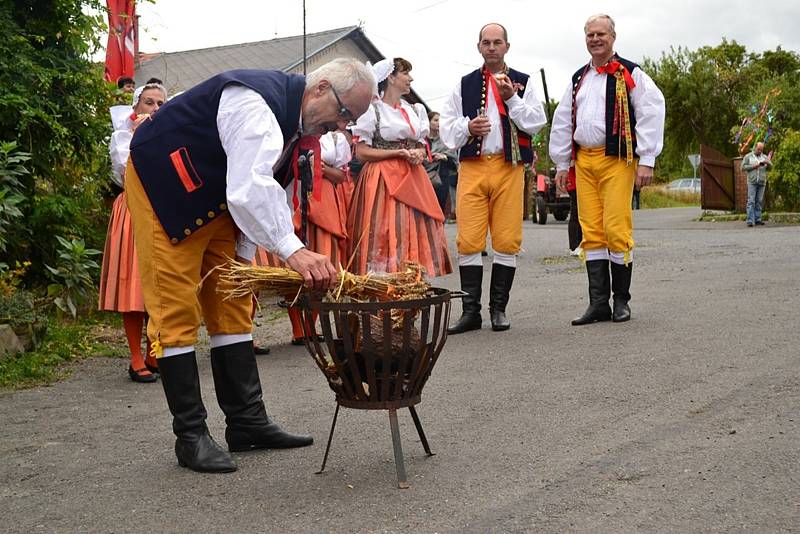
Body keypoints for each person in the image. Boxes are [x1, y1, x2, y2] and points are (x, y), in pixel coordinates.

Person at [125, 58, 376, 473]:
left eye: (351, 120)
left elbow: (263, 188)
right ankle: (190, 436)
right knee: (175, 309)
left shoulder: (300, 125)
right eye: (344, 113)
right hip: (165, 187)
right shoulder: (256, 104)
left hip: (218, 196)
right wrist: (292, 251)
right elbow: (249, 189)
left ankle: (246, 422)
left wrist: (244, 256)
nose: (341, 126)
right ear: (321, 88)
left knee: (232, 299)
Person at [550, 13, 665, 325]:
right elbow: (563, 120)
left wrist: (647, 159)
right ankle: (598, 302)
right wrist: (562, 163)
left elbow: (652, 111)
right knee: (592, 231)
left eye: (601, 34)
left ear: (613, 37)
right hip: (584, 161)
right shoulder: (578, 78)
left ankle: (621, 301)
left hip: (617, 159)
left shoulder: (630, 73)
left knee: (616, 228)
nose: (595, 39)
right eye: (590, 35)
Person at [440, 23, 547, 333]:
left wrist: (512, 98)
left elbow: (536, 122)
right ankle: (470, 312)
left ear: (507, 47)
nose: (491, 47)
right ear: (479, 47)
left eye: (497, 42)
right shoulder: (464, 84)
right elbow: (447, 129)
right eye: (486, 42)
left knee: (506, 239)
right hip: (473, 167)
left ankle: (498, 310)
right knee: (469, 240)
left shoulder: (523, 83)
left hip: (509, 167)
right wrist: (467, 128)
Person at [347, 58, 452, 277]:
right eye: (405, 73)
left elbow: (423, 146)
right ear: (391, 78)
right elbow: (362, 153)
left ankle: (411, 277)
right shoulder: (373, 110)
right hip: (382, 179)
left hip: (413, 176)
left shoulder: (415, 110)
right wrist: (396, 153)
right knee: (386, 227)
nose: (410, 78)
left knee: (412, 226)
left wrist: (419, 153)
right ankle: (383, 279)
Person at [255, 129, 354, 345]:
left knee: (322, 264)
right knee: (289, 269)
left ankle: (309, 328)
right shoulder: (287, 130)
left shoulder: (334, 139)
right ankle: (297, 329)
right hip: (290, 198)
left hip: (323, 201)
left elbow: (341, 177)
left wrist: (321, 168)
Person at [99, 82, 167, 383]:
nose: (154, 110)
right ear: (136, 107)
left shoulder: (169, 136)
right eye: (149, 103)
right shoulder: (122, 138)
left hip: (162, 210)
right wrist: (142, 133)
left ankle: (155, 351)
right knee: (133, 284)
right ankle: (135, 357)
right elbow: (128, 173)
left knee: (160, 283)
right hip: (132, 209)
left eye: (160, 105)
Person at [425, 111, 459, 219]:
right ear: (428, 122)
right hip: (424, 178)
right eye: (435, 120)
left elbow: (454, 163)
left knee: (439, 210)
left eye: (440, 120)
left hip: (441, 179)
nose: (438, 123)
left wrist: (444, 157)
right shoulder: (421, 140)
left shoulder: (445, 140)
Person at [741, 141, 771, 227]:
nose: (760, 151)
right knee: (751, 201)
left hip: (762, 182)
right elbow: (742, 167)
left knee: (759, 201)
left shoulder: (764, 157)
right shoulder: (748, 156)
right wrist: (754, 166)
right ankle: (750, 220)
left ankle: (758, 219)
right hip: (752, 182)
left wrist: (768, 163)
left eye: (761, 150)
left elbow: (770, 168)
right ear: (755, 148)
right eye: (758, 149)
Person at [564, 167, 583, 255]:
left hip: (576, 181)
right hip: (575, 181)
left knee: (577, 214)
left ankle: (578, 244)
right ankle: (575, 246)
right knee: (576, 214)